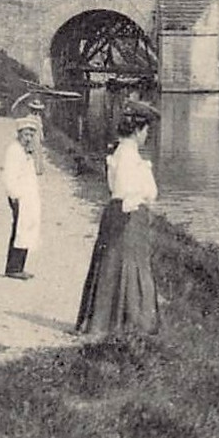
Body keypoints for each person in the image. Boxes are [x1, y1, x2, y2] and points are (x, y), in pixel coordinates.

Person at [75, 100, 161, 336]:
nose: (147, 135)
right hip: (128, 217)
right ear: (137, 130)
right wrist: (137, 202)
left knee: (118, 265)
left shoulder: (123, 151)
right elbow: (124, 190)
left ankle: (114, 321)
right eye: (146, 130)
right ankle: (125, 324)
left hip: (126, 216)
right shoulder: (127, 155)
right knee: (125, 265)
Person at [1, 116, 43, 279]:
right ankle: (13, 268)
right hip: (19, 196)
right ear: (19, 134)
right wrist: (14, 196)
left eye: (31, 135)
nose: (29, 138)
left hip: (29, 197)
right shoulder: (14, 150)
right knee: (19, 230)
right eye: (26, 135)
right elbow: (9, 176)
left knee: (27, 229)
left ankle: (19, 266)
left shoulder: (26, 151)